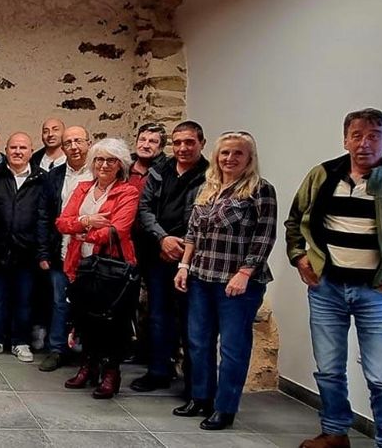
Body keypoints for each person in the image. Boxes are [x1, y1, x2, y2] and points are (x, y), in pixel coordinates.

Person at [285, 109, 382, 448]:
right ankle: (334, 432)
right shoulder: (323, 175)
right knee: (328, 370)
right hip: (327, 289)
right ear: (345, 139)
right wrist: (299, 258)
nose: (364, 143)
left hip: (377, 293)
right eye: (357, 135)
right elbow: (295, 221)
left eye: (374, 135)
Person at [174, 131, 277, 431]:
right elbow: (192, 232)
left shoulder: (260, 190)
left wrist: (245, 273)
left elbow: (264, 236)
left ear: (249, 158)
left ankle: (225, 407)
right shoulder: (208, 188)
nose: (230, 158)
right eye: (225, 153)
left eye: (237, 153)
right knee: (198, 342)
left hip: (238, 282)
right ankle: (200, 398)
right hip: (201, 277)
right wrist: (184, 266)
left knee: (232, 348)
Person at [55, 138, 141, 399]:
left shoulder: (128, 192)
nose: (104, 165)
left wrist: (83, 230)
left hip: (112, 267)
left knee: (113, 321)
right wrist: (88, 221)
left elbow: (118, 229)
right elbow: (62, 223)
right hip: (80, 263)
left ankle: (111, 373)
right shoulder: (81, 188)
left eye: (110, 160)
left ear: (121, 165)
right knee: (85, 316)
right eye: (99, 160)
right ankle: (88, 366)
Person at [130, 121, 209, 394]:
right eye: (177, 143)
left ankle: (192, 381)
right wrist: (162, 238)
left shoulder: (210, 175)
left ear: (202, 143)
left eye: (189, 142)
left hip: (193, 257)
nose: (183, 148)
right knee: (158, 315)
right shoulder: (159, 171)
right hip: (158, 252)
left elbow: (204, 216)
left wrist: (182, 245)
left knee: (191, 320)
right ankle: (158, 371)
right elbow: (145, 208)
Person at [0, 132, 48, 363]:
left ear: (31, 151)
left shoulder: (42, 179)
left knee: (24, 299)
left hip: (27, 251)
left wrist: (42, 251)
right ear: (5, 150)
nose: (17, 152)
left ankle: (21, 342)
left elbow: (45, 217)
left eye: (23, 148)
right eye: (13, 148)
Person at [35, 125, 93, 372]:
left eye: (78, 141)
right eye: (68, 143)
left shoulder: (99, 173)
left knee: (91, 303)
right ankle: (57, 349)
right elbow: (43, 216)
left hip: (92, 252)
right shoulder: (54, 176)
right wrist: (43, 252)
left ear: (88, 143)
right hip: (61, 249)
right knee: (60, 301)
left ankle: (90, 352)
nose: (73, 147)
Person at [129, 122, 169, 188]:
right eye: (142, 140)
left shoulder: (169, 171)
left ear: (161, 147)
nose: (145, 145)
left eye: (152, 141)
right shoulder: (123, 167)